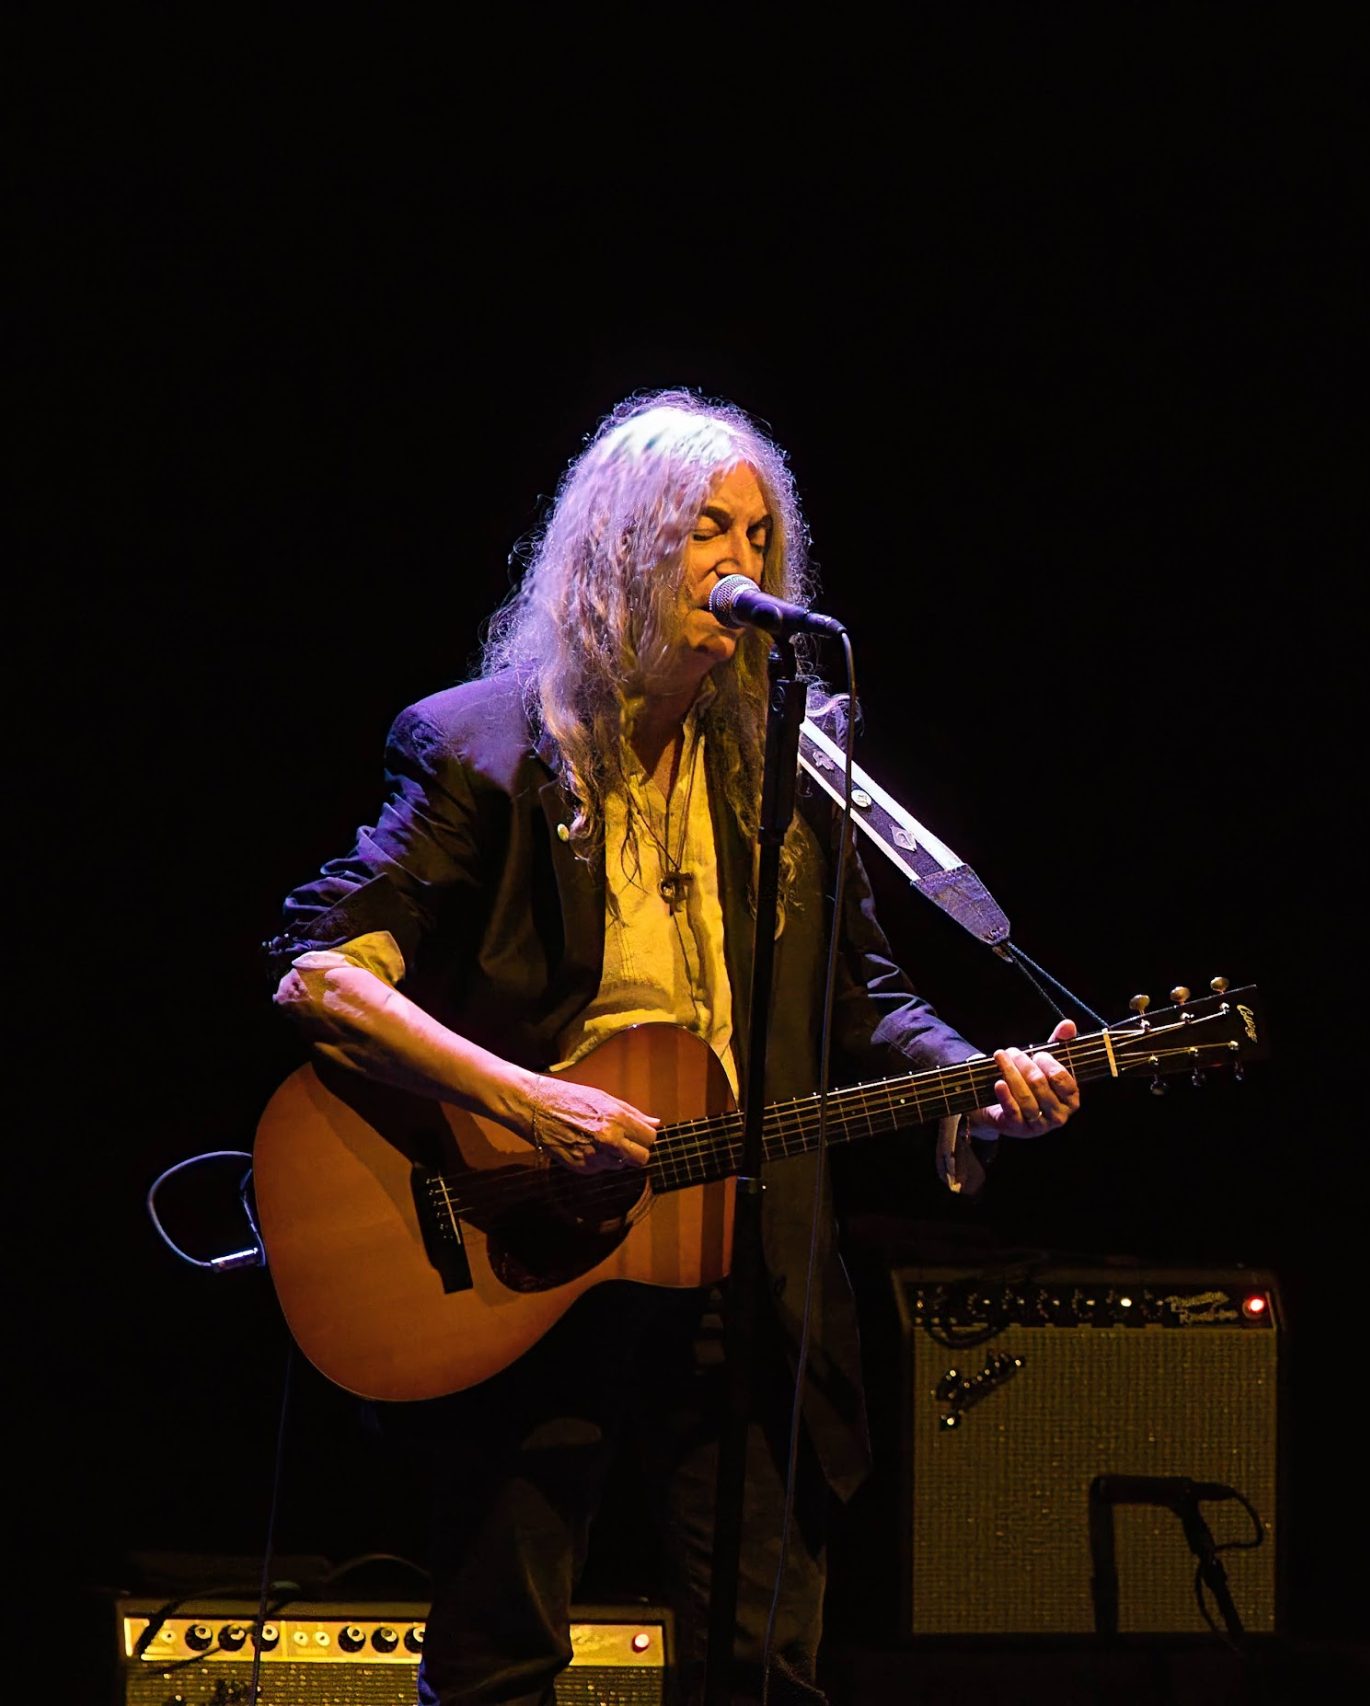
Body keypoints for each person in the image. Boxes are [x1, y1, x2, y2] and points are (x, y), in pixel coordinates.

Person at [265, 390, 1080, 1705]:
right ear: (628, 545)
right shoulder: (481, 748)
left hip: (745, 1264)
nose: (743, 566)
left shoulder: (791, 775)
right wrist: (531, 1106)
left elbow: (866, 1001)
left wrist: (978, 1089)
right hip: (536, 1246)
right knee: (496, 1664)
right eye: (710, 528)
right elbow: (322, 977)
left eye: (761, 535)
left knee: (763, 1665)